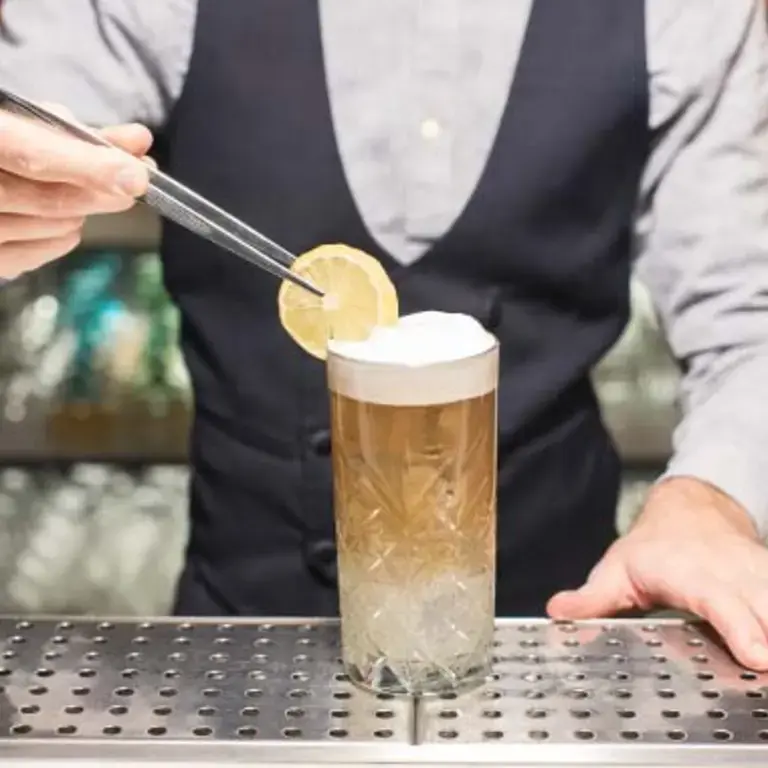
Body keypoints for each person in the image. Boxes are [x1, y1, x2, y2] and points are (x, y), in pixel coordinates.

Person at [1, 0, 768, 668]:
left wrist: (714, 499)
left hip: (558, 629)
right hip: (241, 630)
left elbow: (749, 314)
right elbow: (37, 124)